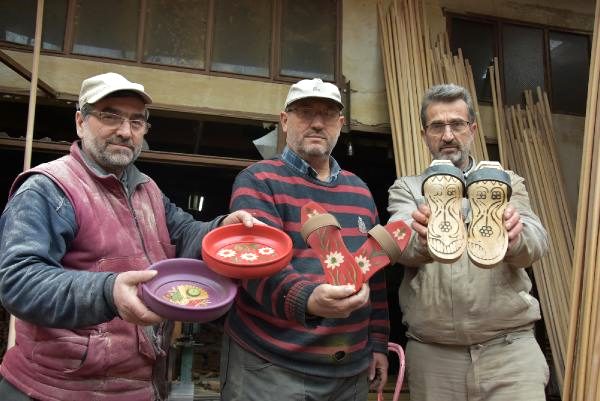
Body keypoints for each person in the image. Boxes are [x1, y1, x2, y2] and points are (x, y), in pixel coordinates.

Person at [0, 72, 257, 401]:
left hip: (138, 388)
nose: (125, 131)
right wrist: (108, 292)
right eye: (110, 116)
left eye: (137, 121)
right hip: (58, 389)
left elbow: (184, 233)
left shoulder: (146, 188)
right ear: (80, 121)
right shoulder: (49, 188)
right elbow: (19, 283)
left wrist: (221, 229)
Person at [220, 78, 390, 400]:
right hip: (272, 366)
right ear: (284, 120)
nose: (316, 122)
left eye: (327, 114)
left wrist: (378, 340)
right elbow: (253, 263)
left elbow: (375, 269)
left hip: (350, 371)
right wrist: (307, 300)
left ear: (340, 124)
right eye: (304, 112)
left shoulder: (360, 190)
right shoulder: (258, 180)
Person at [387, 83, 549, 401]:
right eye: (437, 126)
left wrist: (516, 238)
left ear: (472, 129)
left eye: (457, 124)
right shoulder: (407, 188)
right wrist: (420, 238)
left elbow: (537, 241)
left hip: (509, 353)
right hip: (435, 356)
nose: (448, 135)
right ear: (424, 134)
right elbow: (398, 241)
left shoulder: (507, 182)